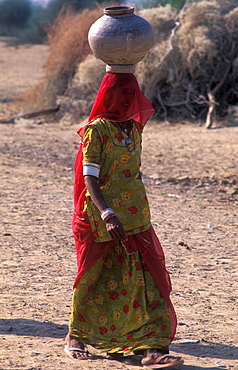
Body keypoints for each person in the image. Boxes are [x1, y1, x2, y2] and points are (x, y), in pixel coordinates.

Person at [65, 72, 184, 369]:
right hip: (100, 218)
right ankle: (76, 335)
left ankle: (153, 349)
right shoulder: (97, 130)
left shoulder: (133, 129)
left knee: (145, 280)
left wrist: (134, 208)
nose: (129, 99)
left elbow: (134, 173)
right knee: (95, 277)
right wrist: (108, 214)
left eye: (133, 93)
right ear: (109, 96)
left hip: (136, 217)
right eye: (123, 93)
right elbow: (89, 178)